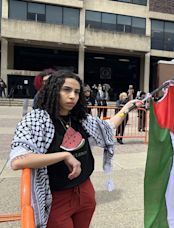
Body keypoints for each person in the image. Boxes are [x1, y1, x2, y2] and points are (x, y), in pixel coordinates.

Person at [9, 70, 140, 227]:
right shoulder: (36, 120)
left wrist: (126, 108)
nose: (72, 96)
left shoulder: (81, 119)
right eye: (66, 90)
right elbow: (18, 161)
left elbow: (108, 127)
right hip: (56, 198)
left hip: (85, 192)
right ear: (53, 90)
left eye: (77, 92)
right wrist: (63, 155)